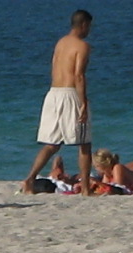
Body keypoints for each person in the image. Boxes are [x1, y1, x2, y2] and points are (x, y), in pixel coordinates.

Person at [21, 10, 94, 195]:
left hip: (53, 93)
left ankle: (30, 179)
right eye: (89, 26)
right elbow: (78, 75)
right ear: (84, 24)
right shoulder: (82, 46)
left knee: (52, 144)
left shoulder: (60, 43)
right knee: (84, 143)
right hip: (70, 94)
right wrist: (83, 101)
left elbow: (54, 66)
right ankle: (85, 188)